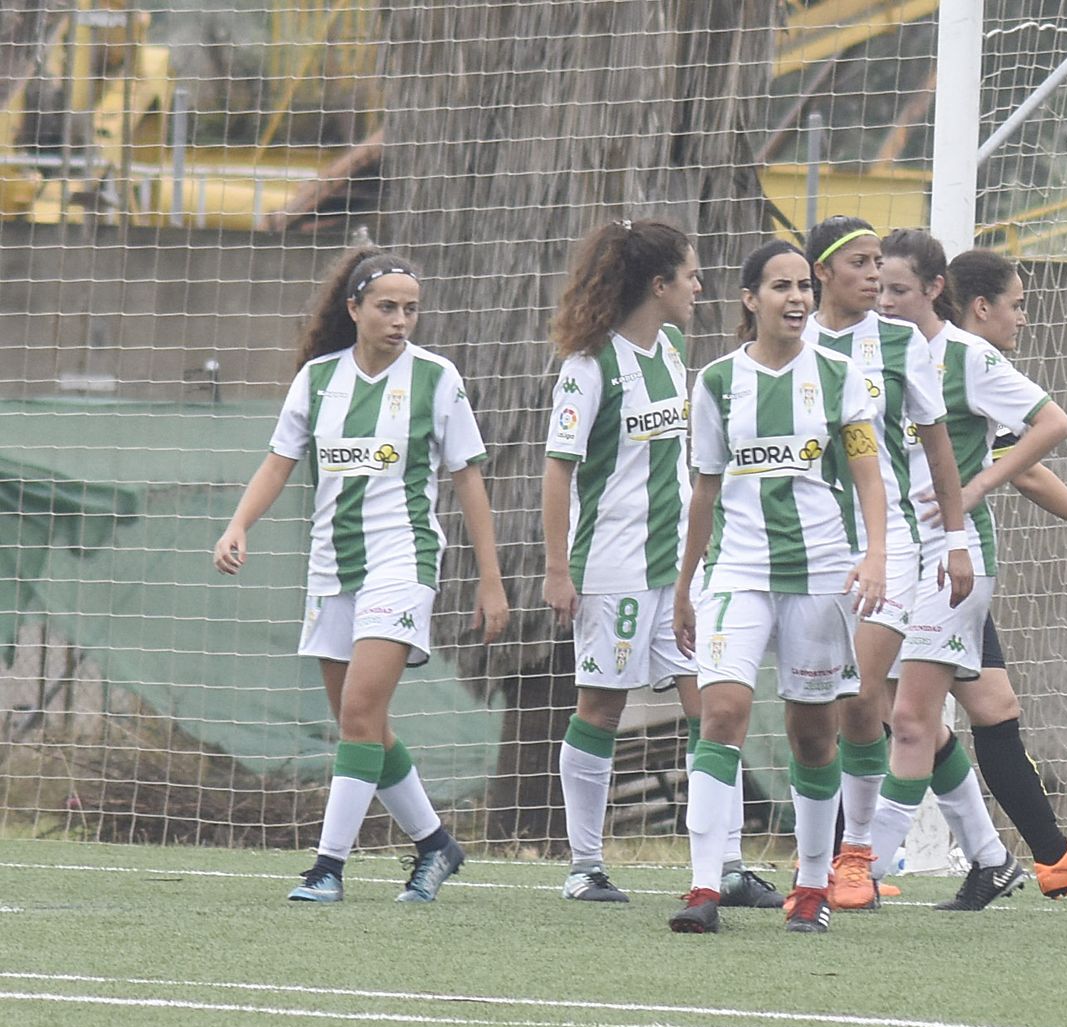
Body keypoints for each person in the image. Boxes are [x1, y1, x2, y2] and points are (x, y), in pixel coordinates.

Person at [213, 247, 509, 903]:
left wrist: (491, 580)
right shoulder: (318, 380)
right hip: (332, 569)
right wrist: (238, 525)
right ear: (354, 309)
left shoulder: (436, 378)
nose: (401, 320)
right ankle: (435, 843)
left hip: (403, 562)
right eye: (387, 307)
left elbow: (469, 479)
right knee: (362, 723)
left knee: (358, 712)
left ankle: (328, 868)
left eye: (411, 309)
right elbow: (278, 463)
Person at [881, 237, 1067, 899]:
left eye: (896, 288)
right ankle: (1028, 856)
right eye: (1017, 304)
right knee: (958, 710)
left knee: (917, 716)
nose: (1023, 318)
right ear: (979, 305)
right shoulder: (900, 358)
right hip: (908, 558)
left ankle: (863, 863)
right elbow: (1022, 468)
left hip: (948, 561)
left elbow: (1024, 460)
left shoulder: (968, 364)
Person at [543, 220, 780, 910]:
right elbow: (558, 470)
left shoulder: (674, 351)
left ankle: (726, 865)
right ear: (658, 285)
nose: (700, 287)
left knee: (714, 705)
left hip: (681, 571)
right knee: (600, 707)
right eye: (690, 275)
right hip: (612, 569)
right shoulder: (589, 366)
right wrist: (558, 569)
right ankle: (585, 865)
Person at [668, 240, 888, 934]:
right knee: (722, 711)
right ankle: (705, 886)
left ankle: (813, 885)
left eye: (802, 287)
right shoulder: (717, 382)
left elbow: (868, 474)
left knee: (813, 735)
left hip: (820, 573)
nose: (796, 298)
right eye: (781, 287)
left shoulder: (839, 376)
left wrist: (876, 553)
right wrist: (685, 586)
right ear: (750, 298)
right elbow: (704, 491)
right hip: (736, 571)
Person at [800, 216, 973, 911]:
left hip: (893, 540)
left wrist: (956, 540)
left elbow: (937, 447)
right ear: (821, 272)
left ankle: (856, 856)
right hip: (811, 541)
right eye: (861, 263)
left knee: (861, 694)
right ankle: (814, 860)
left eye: (880, 263)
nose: (875, 275)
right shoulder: (793, 344)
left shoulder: (903, 343)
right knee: (815, 707)